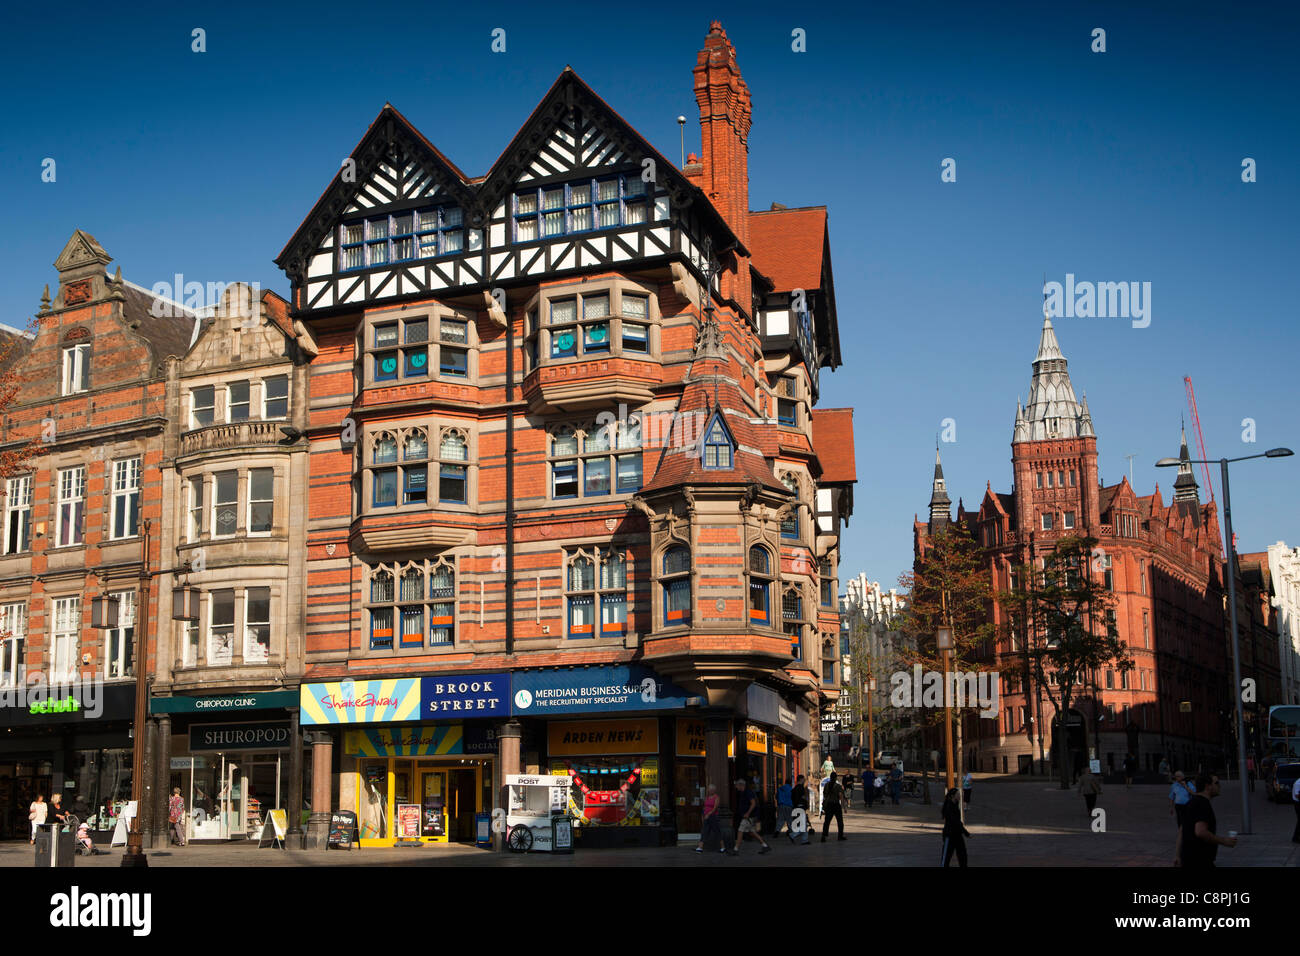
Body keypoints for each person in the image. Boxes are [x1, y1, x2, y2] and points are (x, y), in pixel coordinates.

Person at [1178, 773, 1236, 868]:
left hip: (1189, 858)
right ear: (1208, 786)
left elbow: (1182, 830)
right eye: (1216, 783)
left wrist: (1177, 855)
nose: (1219, 786)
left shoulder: (1192, 802)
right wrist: (1224, 841)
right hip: (1200, 860)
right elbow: (1200, 832)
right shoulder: (1203, 804)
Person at [730, 778, 771, 855]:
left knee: (740, 830)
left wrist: (748, 813)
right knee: (751, 832)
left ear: (741, 785)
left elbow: (753, 803)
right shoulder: (742, 793)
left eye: (737, 785)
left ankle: (735, 849)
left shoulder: (748, 792)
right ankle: (765, 845)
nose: (736, 787)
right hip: (747, 816)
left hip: (748, 816)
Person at [940, 787, 970, 867]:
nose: (960, 796)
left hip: (957, 834)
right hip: (950, 835)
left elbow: (957, 821)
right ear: (953, 796)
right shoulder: (949, 806)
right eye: (958, 794)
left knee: (962, 854)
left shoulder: (955, 804)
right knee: (946, 856)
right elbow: (955, 822)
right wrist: (966, 832)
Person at [821, 772, 845, 842]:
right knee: (840, 821)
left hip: (828, 805)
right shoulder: (838, 786)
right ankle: (840, 836)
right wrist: (843, 806)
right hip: (836, 804)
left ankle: (824, 835)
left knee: (827, 821)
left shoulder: (826, 785)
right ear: (836, 778)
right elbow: (840, 796)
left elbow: (824, 794)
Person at [696, 784, 721, 853]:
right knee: (704, 831)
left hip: (713, 817)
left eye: (710, 790)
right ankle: (700, 847)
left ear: (713, 790)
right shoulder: (707, 797)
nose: (709, 791)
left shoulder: (716, 797)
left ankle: (723, 847)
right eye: (709, 790)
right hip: (706, 816)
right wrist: (703, 814)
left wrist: (708, 814)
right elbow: (705, 806)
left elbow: (715, 808)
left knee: (717, 831)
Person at [789, 775, 810, 845]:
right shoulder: (801, 788)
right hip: (801, 807)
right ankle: (793, 835)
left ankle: (805, 840)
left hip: (796, 807)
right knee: (803, 825)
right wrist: (806, 803)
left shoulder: (794, 789)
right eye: (803, 779)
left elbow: (792, 798)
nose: (804, 780)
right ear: (801, 779)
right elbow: (803, 798)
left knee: (803, 824)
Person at [1291, 774, 1300, 844]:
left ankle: (1296, 837)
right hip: (1298, 804)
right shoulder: (1298, 783)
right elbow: (1297, 795)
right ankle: (1295, 837)